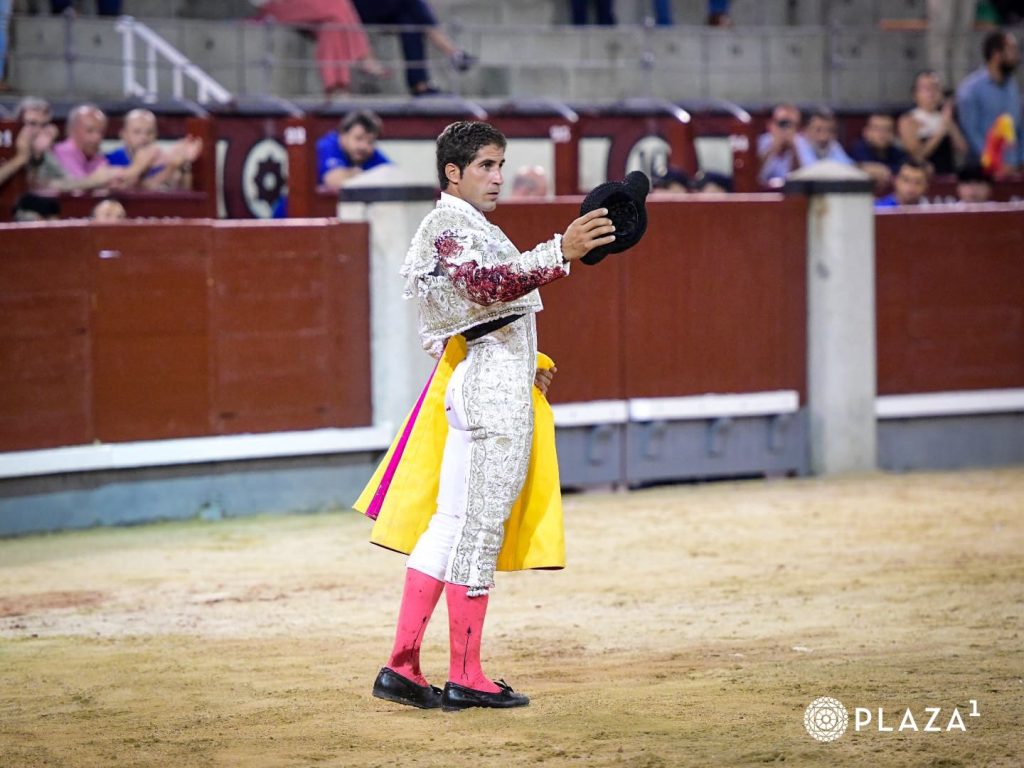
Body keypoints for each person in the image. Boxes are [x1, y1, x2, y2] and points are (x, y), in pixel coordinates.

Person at [359, 120, 615, 711]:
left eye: (501, 165)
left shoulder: (460, 225)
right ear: (453, 172)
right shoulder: (452, 223)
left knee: (450, 526)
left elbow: (473, 316)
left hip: (485, 379)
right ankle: (466, 674)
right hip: (491, 396)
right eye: (485, 166)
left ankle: (401, 667)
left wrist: (526, 367)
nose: (498, 178)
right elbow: (485, 286)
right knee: (477, 530)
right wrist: (561, 250)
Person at [252, 0, 388, 97]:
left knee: (331, 27)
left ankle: (336, 88)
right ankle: (363, 56)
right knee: (338, 4)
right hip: (273, 7)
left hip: (302, 6)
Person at [352, 0, 475, 97]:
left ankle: (420, 86)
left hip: (383, 8)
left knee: (410, 23)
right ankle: (454, 53)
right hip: (355, 8)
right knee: (412, 4)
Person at [956, 30, 1023, 174]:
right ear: (996, 54)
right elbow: (971, 133)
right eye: (1012, 50)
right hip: (982, 171)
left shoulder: (1013, 86)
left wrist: (1019, 161)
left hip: (1015, 168)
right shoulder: (970, 89)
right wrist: (995, 162)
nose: (1017, 56)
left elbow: (1019, 127)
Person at [106, 108, 204, 190]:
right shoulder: (109, 160)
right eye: (137, 132)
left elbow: (184, 194)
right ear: (124, 134)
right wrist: (171, 166)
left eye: (149, 132)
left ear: (156, 135)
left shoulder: (164, 159)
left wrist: (184, 163)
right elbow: (131, 189)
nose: (144, 137)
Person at [898, 70, 968, 176]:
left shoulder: (945, 117)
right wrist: (940, 131)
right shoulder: (909, 120)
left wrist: (949, 124)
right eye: (926, 88)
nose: (931, 93)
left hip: (947, 173)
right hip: (923, 176)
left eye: (935, 87)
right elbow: (918, 155)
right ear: (915, 94)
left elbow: (962, 148)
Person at [316, 109, 390, 190]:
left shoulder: (368, 153)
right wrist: (365, 175)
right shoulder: (327, 147)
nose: (363, 146)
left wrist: (354, 174)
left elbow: (394, 177)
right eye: (358, 138)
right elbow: (335, 182)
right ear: (343, 135)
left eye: (370, 141)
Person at [849, 112, 907, 192]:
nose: (882, 134)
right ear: (866, 132)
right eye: (877, 129)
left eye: (887, 129)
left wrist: (885, 170)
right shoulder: (859, 148)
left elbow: (904, 167)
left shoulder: (896, 151)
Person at [757, 103, 802, 187]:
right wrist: (774, 147)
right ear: (771, 125)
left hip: (790, 193)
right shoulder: (761, 142)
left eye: (791, 125)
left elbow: (801, 176)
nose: (786, 128)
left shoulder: (801, 143)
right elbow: (754, 174)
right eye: (783, 123)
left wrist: (793, 149)